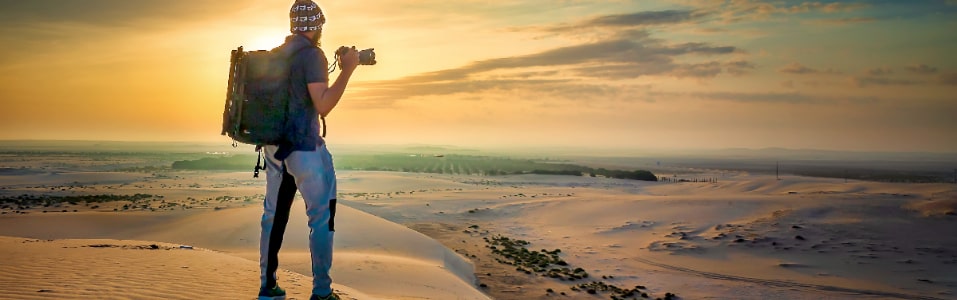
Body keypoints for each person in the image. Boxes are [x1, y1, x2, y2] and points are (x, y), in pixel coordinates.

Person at [257, 1, 359, 300]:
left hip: (275, 149)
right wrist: (348, 70)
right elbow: (323, 104)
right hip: (304, 150)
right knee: (321, 219)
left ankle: (267, 287)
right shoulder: (313, 55)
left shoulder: (277, 54)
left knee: (272, 217)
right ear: (317, 26)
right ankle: (322, 292)